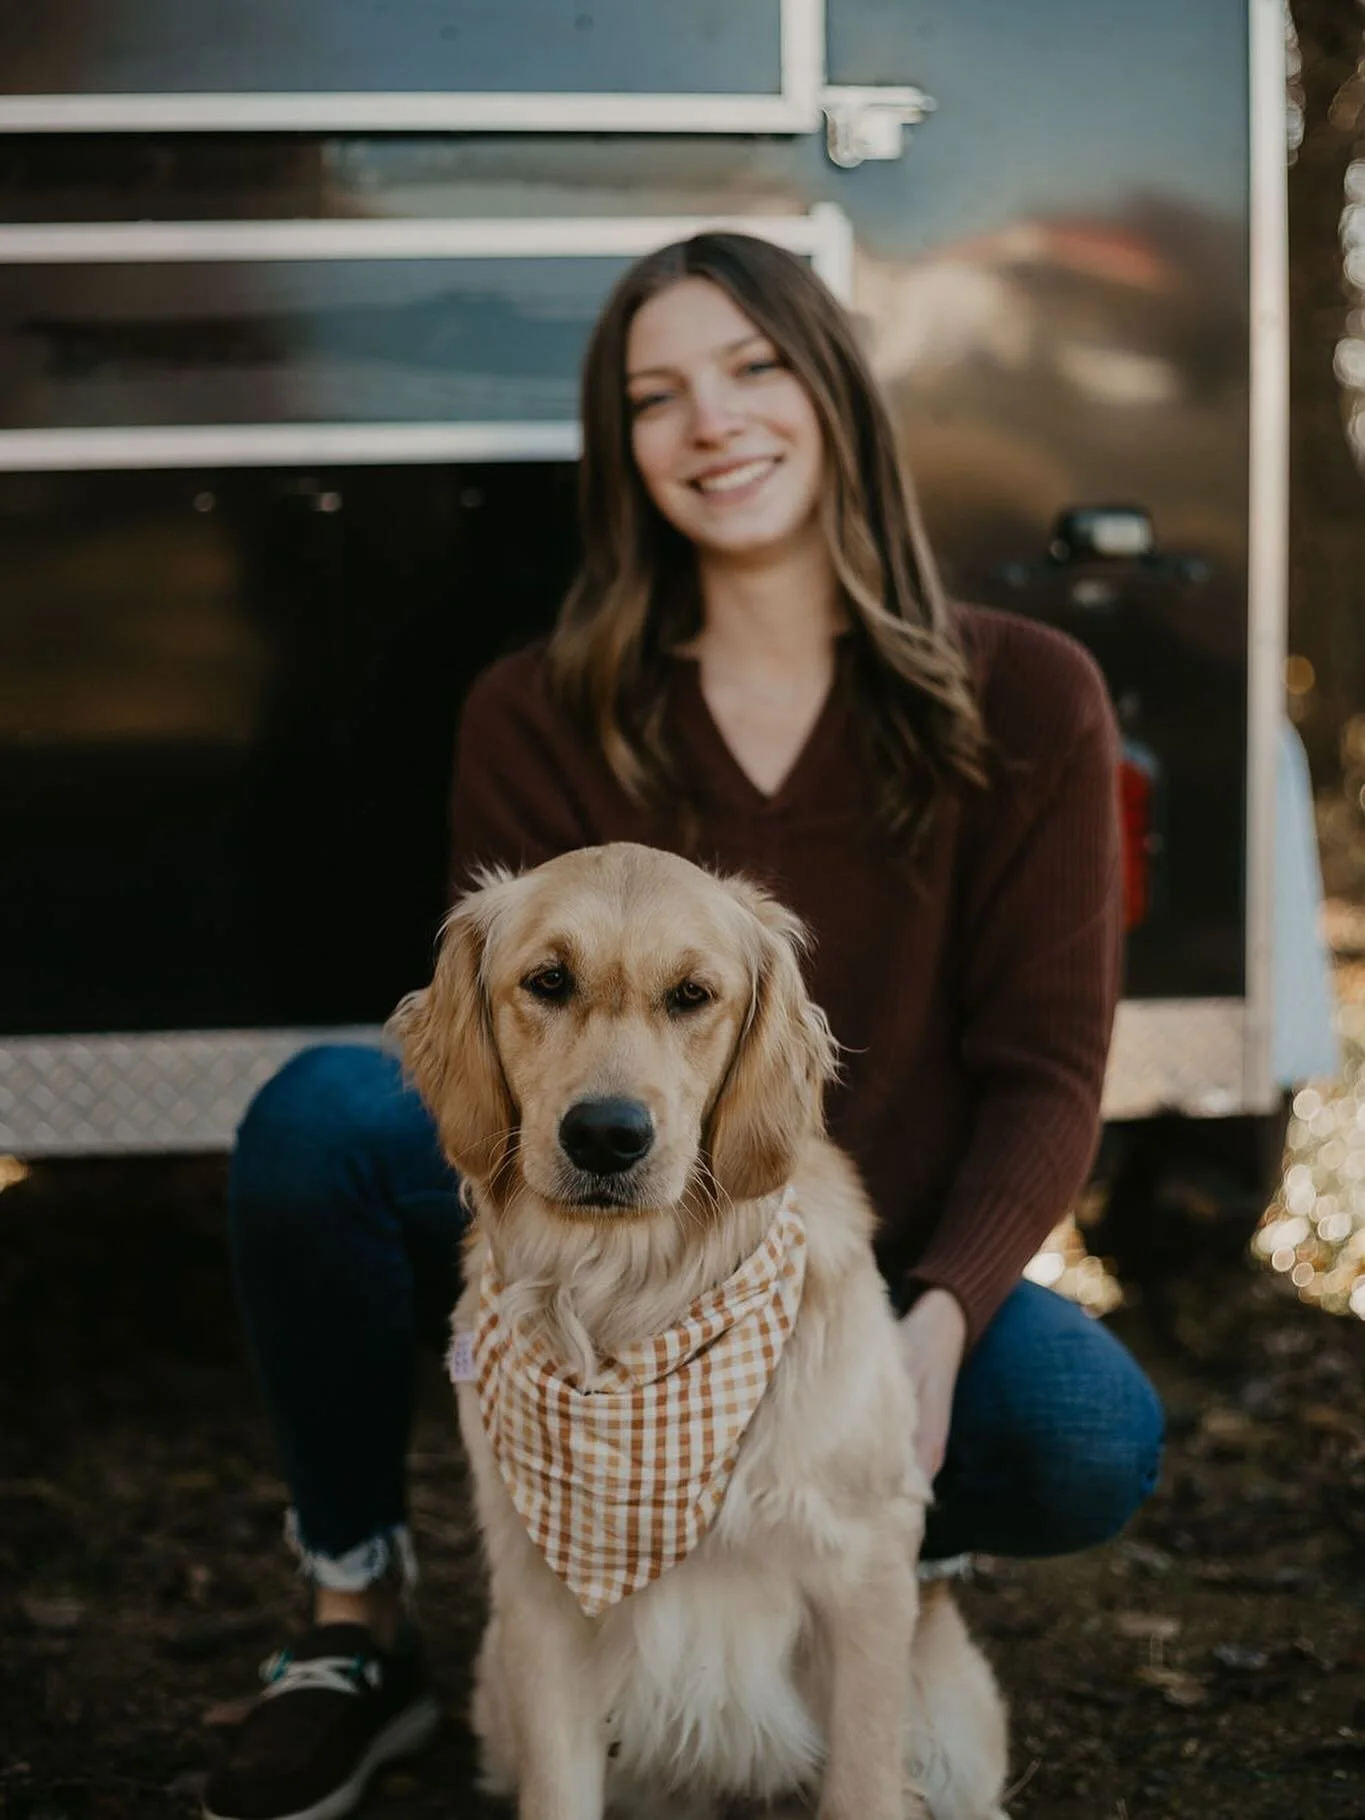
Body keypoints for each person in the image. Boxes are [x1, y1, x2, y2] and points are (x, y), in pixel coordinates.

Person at [204, 232, 1165, 1820]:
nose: (709, 421)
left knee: (1081, 1428)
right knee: (318, 1117)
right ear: (624, 451)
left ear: (837, 388)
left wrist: (937, 1319)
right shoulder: (541, 706)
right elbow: (515, 1042)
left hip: (868, 1259)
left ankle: (823, 1580)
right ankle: (356, 1630)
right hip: (612, 1231)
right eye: (656, 396)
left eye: (754, 369)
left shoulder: (1030, 693)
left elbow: (1050, 1072)